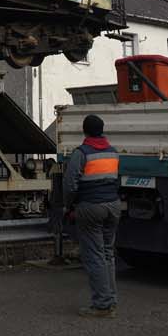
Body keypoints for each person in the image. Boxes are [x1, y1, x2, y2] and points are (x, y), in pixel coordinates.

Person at [63, 113, 121, 318]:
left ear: (84, 131)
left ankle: (102, 305)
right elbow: (116, 180)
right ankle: (111, 300)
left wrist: (69, 206)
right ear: (102, 130)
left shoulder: (81, 153)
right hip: (113, 206)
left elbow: (70, 185)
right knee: (107, 254)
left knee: (95, 256)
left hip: (91, 207)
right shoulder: (113, 153)